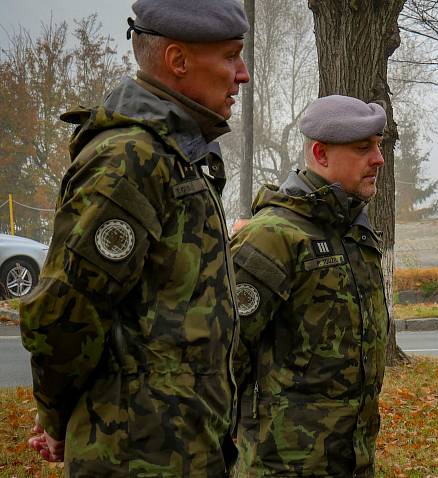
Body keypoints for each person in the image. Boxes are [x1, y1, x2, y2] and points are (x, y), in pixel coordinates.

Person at [19, 0, 250, 475]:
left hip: (183, 449)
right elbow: (63, 313)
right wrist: (56, 417)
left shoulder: (174, 153)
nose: (242, 74)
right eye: (230, 56)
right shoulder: (129, 157)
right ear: (178, 61)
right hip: (136, 456)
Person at [230, 95, 390, 477]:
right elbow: (222, 355)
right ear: (320, 153)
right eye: (362, 148)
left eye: (379, 146)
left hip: (354, 462)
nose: (378, 159)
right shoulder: (272, 237)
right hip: (283, 466)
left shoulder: (353, 231)